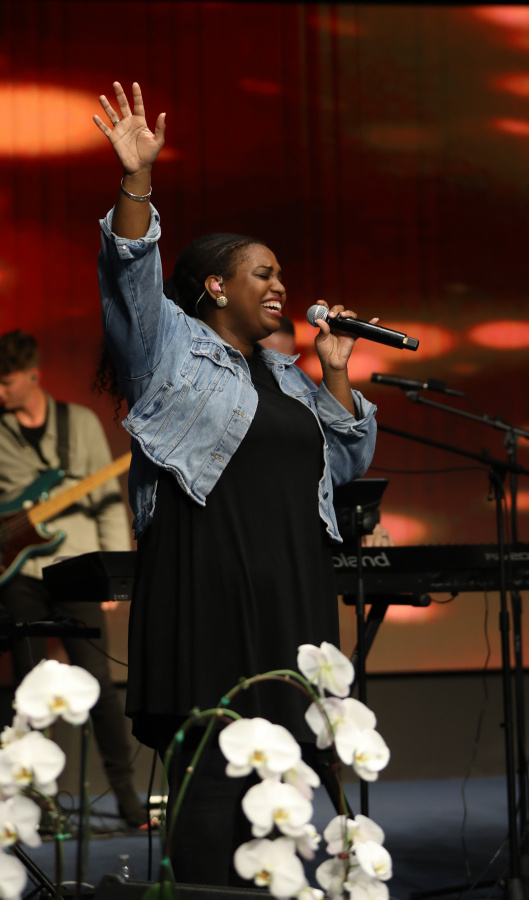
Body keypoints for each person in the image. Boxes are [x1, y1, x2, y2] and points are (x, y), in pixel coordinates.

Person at [93, 81, 378, 884]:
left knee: (283, 771)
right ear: (216, 287)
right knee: (215, 764)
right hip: (207, 580)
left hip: (290, 584)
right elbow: (129, 274)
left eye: (280, 273)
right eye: (261, 273)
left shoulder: (289, 378)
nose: (279, 285)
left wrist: (334, 372)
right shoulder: (169, 351)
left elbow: (346, 467)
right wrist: (137, 180)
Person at [0, 329, 147, 829]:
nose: (1, 392)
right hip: (20, 573)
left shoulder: (79, 423)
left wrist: (112, 573)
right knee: (27, 688)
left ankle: (128, 800)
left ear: (33, 376)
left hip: (78, 569)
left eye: (7, 382)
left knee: (97, 683)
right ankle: (35, 802)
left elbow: (107, 501)